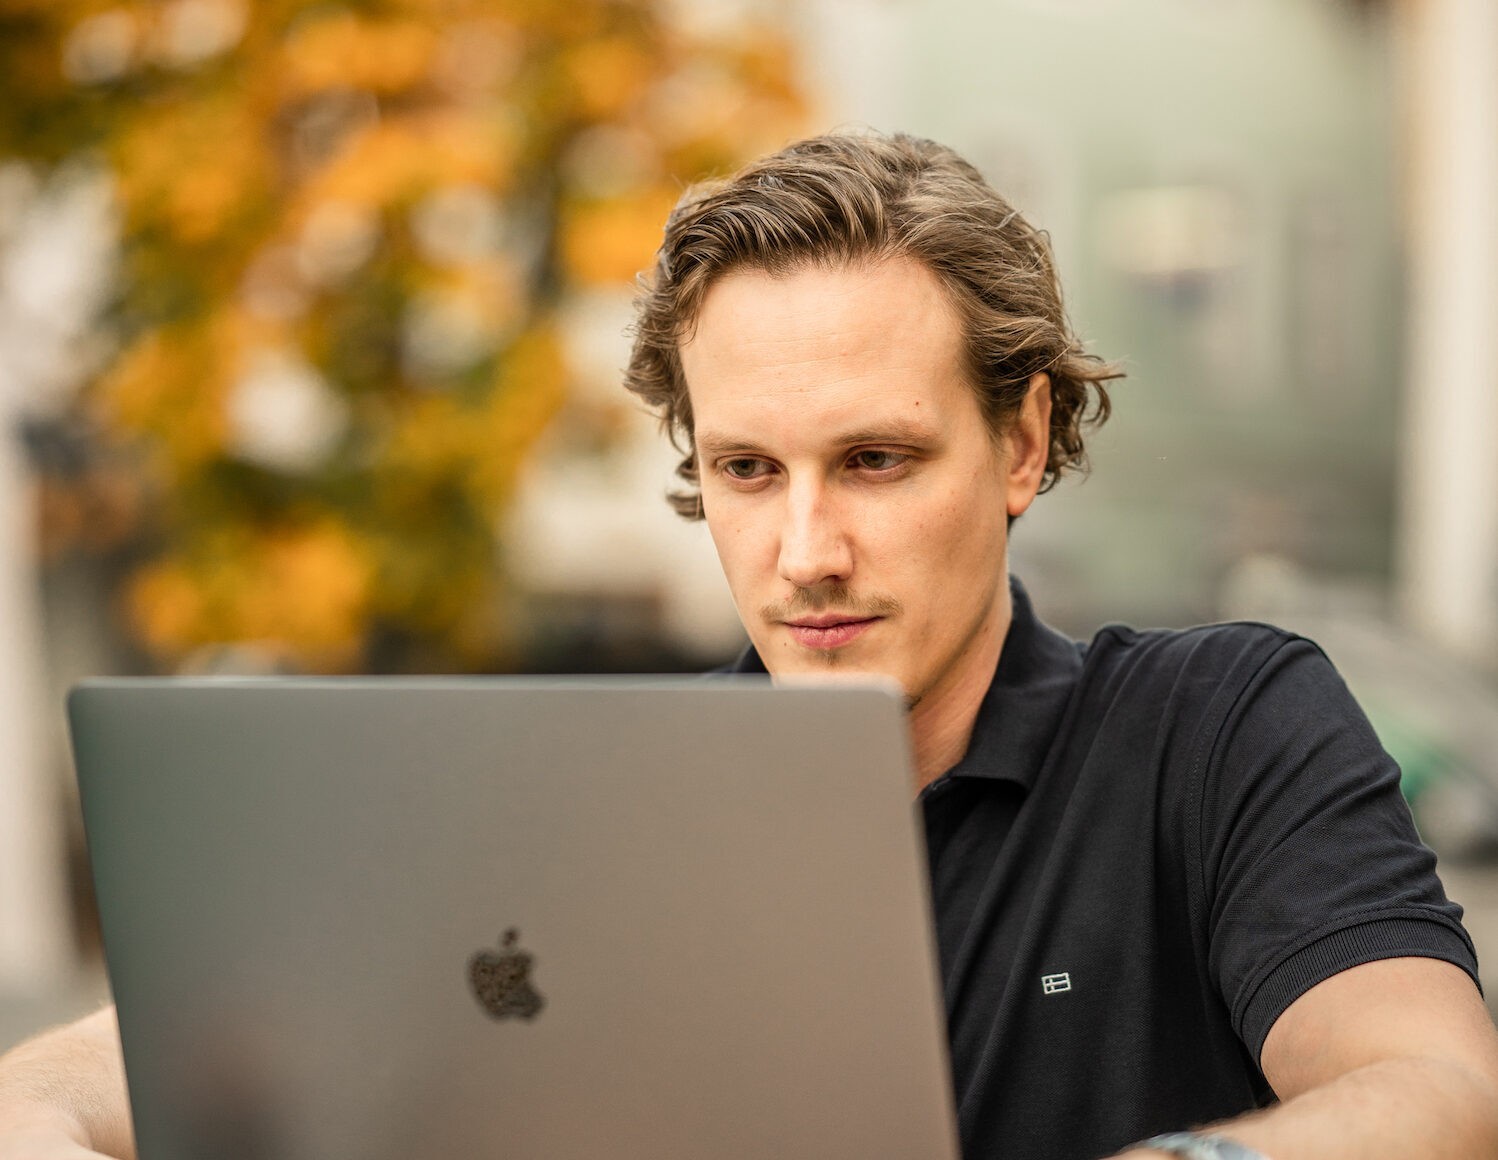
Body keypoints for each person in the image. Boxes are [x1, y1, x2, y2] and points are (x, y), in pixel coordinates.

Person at [2, 130, 1497, 1160]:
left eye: (875, 461)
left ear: (1023, 438)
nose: (803, 554)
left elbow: (1435, 1090)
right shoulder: (602, 806)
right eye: (745, 471)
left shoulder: (1219, 729)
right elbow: (87, 1070)